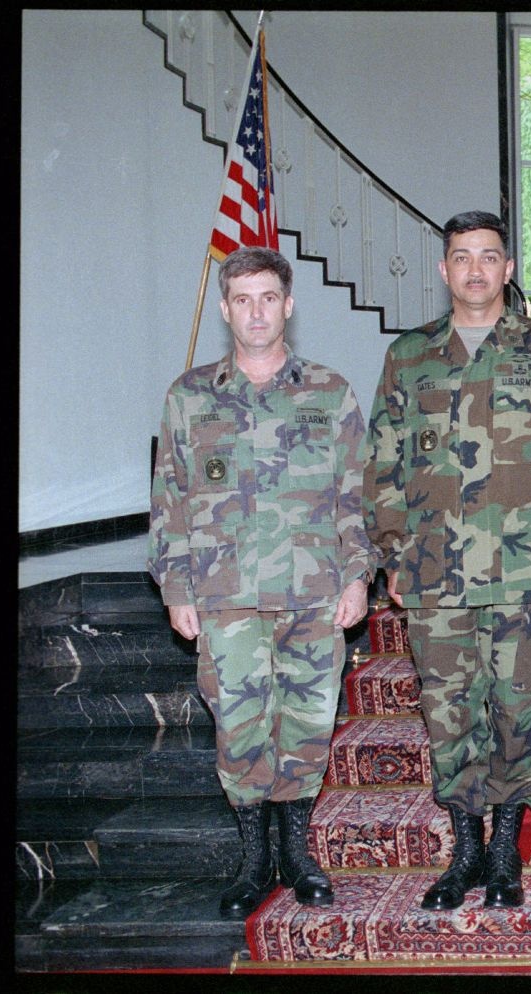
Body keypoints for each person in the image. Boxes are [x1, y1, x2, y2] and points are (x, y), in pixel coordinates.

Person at [363, 210, 531, 911]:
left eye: (489, 256)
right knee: (449, 712)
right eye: (461, 257)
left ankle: (505, 851)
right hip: (434, 571)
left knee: (516, 708)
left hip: (521, 568)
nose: (475, 270)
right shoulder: (410, 356)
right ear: (444, 269)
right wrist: (393, 553)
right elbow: (383, 462)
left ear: (508, 268)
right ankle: (465, 849)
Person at [148, 246, 373, 919]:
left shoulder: (329, 392)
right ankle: (255, 861)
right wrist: (176, 587)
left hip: (313, 594)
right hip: (226, 597)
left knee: (306, 726)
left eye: (268, 298)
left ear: (288, 305)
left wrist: (357, 574)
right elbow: (169, 501)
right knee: (241, 730)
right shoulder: (189, 397)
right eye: (242, 299)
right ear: (224, 308)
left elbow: (356, 494)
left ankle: (298, 856)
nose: (256, 311)